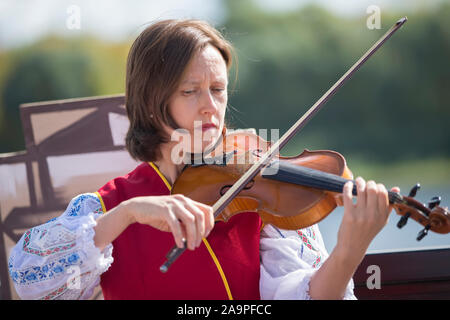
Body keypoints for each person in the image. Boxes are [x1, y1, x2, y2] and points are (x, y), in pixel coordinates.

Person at [8, 19, 400, 300]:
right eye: (190, 91)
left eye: (217, 89)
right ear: (151, 101)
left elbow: (308, 296)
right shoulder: (111, 205)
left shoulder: (261, 191)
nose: (210, 107)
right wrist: (127, 214)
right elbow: (27, 278)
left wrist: (349, 250)